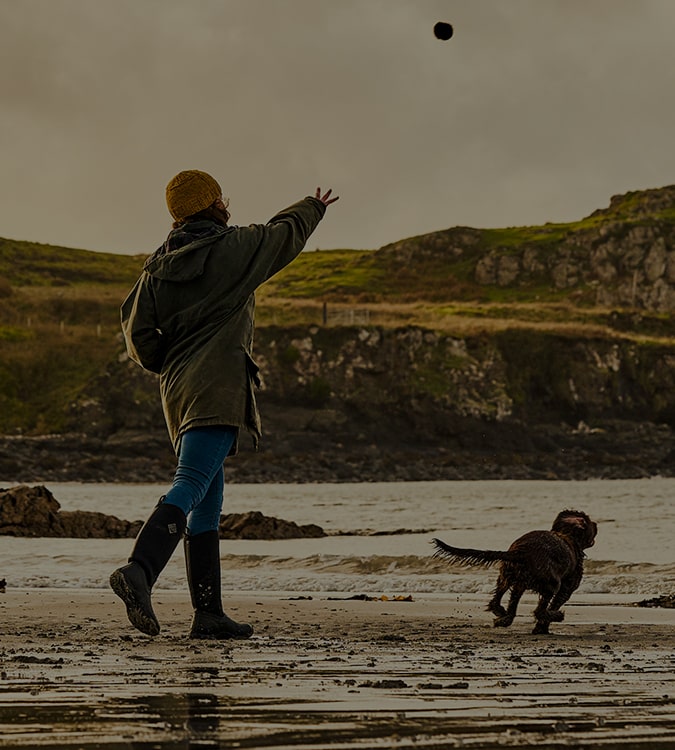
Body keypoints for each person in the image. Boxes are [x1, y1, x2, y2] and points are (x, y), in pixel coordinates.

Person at [110, 170, 338, 639]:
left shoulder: (155, 268)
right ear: (216, 203)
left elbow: (136, 337)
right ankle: (139, 569)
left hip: (177, 389)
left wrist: (171, 361)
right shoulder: (233, 250)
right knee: (192, 483)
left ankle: (209, 615)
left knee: (208, 502)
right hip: (217, 387)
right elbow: (282, 236)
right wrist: (311, 207)